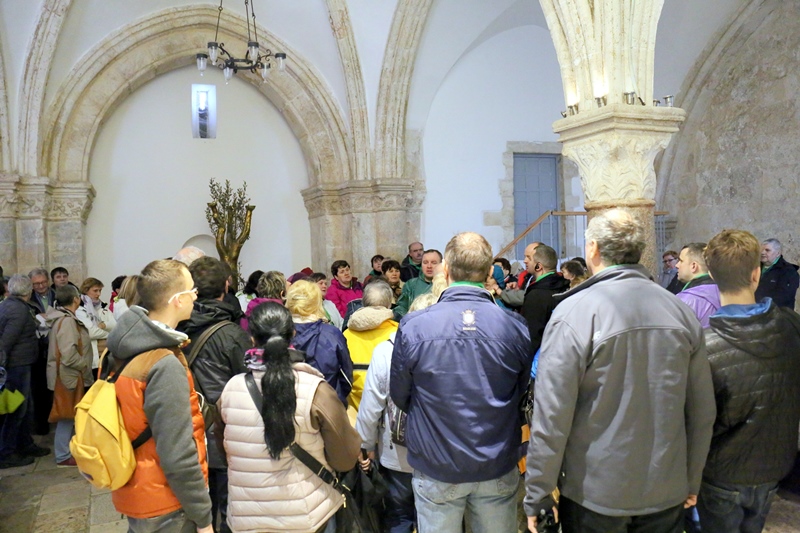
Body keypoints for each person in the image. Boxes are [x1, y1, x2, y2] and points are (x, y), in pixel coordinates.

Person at [524, 209, 716, 533]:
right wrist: (691, 479)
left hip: (595, 493)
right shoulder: (680, 311)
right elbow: (701, 411)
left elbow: (552, 415)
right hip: (665, 486)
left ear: (593, 249)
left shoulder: (574, 312)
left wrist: (539, 493)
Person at [391, 232, 531, 533]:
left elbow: (401, 395)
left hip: (438, 460)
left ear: (445, 269)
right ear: (488, 271)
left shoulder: (415, 326)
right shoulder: (514, 327)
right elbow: (520, 391)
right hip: (494, 459)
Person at [216, 302, 360, 533]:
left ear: (251, 338)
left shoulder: (231, 390)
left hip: (247, 517)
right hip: (308, 515)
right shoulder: (315, 390)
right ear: (293, 334)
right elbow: (344, 458)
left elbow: (226, 451)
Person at [697, 229, 800, 532]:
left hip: (723, 471)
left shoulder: (703, 347)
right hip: (775, 464)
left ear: (712, 276)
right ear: (756, 274)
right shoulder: (792, 325)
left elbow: (699, 421)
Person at [106, 259, 213, 533]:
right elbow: (177, 453)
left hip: (137, 485)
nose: (196, 295)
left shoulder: (123, 346)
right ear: (177, 300)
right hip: (166, 499)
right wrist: (203, 517)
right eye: (192, 290)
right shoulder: (163, 364)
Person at [178, 256, 252, 533]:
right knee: (230, 508)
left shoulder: (175, 328)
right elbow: (250, 384)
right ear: (226, 287)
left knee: (198, 511)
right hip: (224, 430)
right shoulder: (232, 334)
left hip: (187, 429)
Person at [356, 295, 437, 533]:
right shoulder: (448, 351)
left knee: (399, 516)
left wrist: (366, 445)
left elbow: (371, 404)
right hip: (438, 454)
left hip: (397, 454)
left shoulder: (386, 350)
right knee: (435, 518)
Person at [0, 275, 50, 468]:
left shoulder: (9, 304)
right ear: (28, 291)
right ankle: (7, 452)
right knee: (16, 410)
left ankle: (25, 444)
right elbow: (6, 342)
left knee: (25, 409)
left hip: (19, 364)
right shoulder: (19, 310)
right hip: (16, 367)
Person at [44, 284, 92, 467]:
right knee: (66, 415)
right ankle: (63, 455)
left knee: (69, 415)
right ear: (75, 300)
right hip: (68, 376)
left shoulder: (62, 319)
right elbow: (68, 354)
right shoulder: (67, 322)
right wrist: (84, 364)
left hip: (67, 375)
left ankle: (68, 451)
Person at [286, 280, 353, 405]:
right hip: (327, 405)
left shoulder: (279, 333)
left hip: (289, 407)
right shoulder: (331, 334)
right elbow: (346, 378)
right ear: (317, 302)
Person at [343, 280, 397, 412]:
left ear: (364, 303)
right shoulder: (398, 333)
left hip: (353, 411)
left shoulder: (346, 335)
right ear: (389, 304)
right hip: (389, 412)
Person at [521, 244, 571, 354]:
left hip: (542, 356)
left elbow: (532, 335)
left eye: (529, 258)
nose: (525, 261)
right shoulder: (566, 287)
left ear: (538, 266)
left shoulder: (536, 295)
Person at [675, 242, 720, 328]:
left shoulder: (683, 301)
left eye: (681, 261)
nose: (677, 265)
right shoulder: (727, 293)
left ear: (693, 266)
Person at [76, 277, 116, 369]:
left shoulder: (103, 306)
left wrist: (104, 325)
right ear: (86, 290)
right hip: (91, 355)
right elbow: (91, 333)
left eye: (100, 290)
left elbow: (115, 325)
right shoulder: (80, 308)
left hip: (106, 354)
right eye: (95, 291)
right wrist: (109, 334)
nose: (99, 294)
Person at [393, 249, 442, 319]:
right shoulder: (410, 285)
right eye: (425, 262)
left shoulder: (447, 285)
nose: (429, 266)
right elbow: (402, 307)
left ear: (441, 264)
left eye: (433, 263)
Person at [495, 242, 543, 309]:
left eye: (529, 257)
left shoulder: (548, 282)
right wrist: (516, 290)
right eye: (525, 257)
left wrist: (500, 292)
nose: (524, 261)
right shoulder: (525, 277)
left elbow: (528, 299)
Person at [755, 238, 800, 309]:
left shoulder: (789, 271)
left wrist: (761, 307)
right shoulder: (754, 267)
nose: (762, 253)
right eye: (761, 250)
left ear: (778, 253)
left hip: (777, 313)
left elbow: (783, 298)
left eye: (767, 250)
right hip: (755, 311)